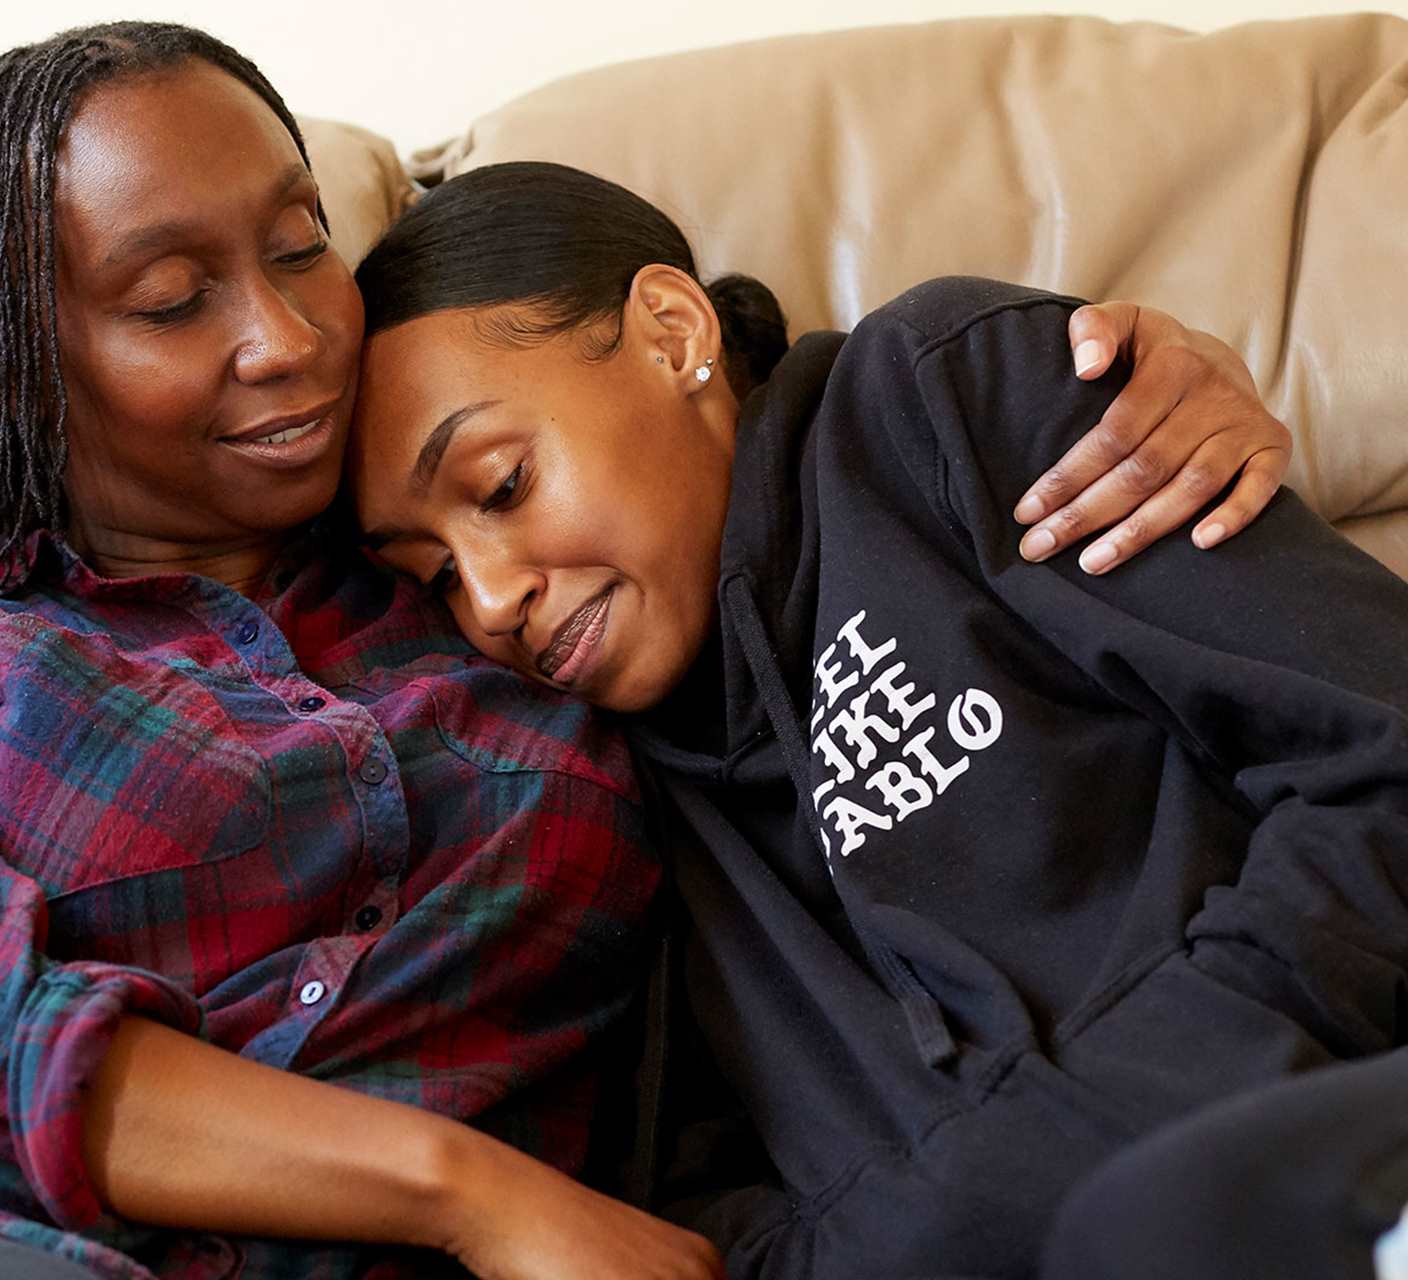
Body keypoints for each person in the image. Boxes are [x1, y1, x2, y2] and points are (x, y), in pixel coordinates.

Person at [0, 21, 1301, 1280]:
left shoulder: (502, 593)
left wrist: (1113, 371)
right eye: (171, 297)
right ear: (16, 359)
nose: (282, 338)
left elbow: (760, 465)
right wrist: (470, 1193)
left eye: (295, 246)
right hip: (7, 1248)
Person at [344, 160, 1408, 1279]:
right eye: (436, 579)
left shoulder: (935, 396)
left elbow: (1381, 748)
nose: (493, 598)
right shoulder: (590, 795)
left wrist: (1079, 1155)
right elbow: (688, 1218)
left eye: (502, 484)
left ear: (670, 332)